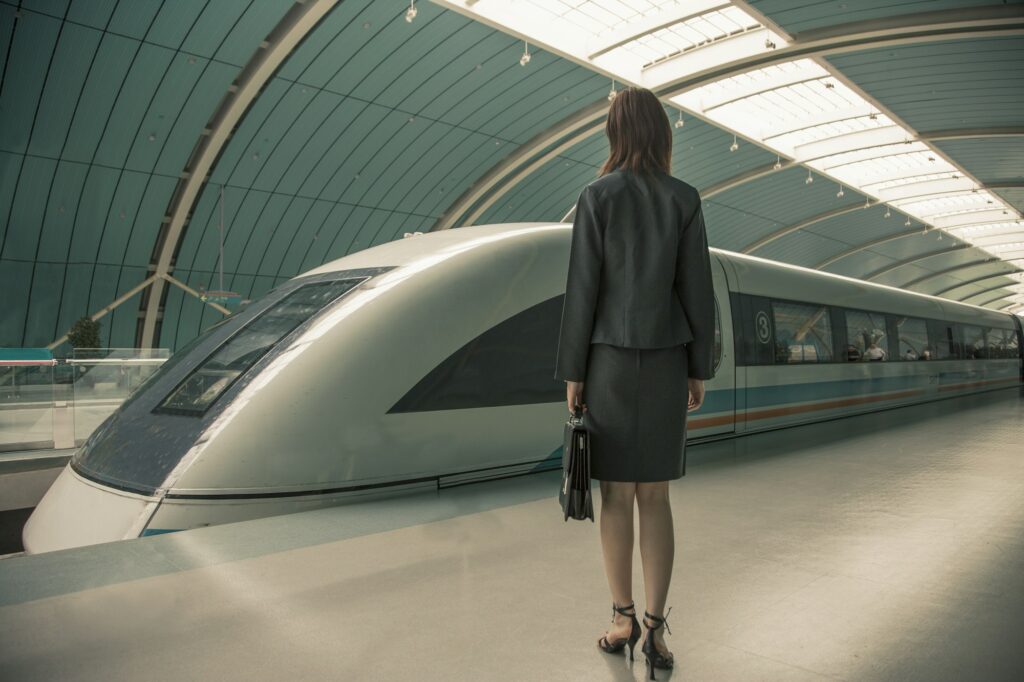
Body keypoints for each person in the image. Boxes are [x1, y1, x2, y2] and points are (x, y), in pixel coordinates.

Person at [553, 86, 716, 679]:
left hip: (610, 365)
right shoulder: (685, 199)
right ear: (662, 134)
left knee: (616, 496)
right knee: (657, 498)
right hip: (669, 361)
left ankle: (620, 618)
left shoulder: (596, 196)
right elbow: (697, 290)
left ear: (615, 134)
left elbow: (583, 290)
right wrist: (699, 365)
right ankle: (655, 630)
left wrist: (574, 370)